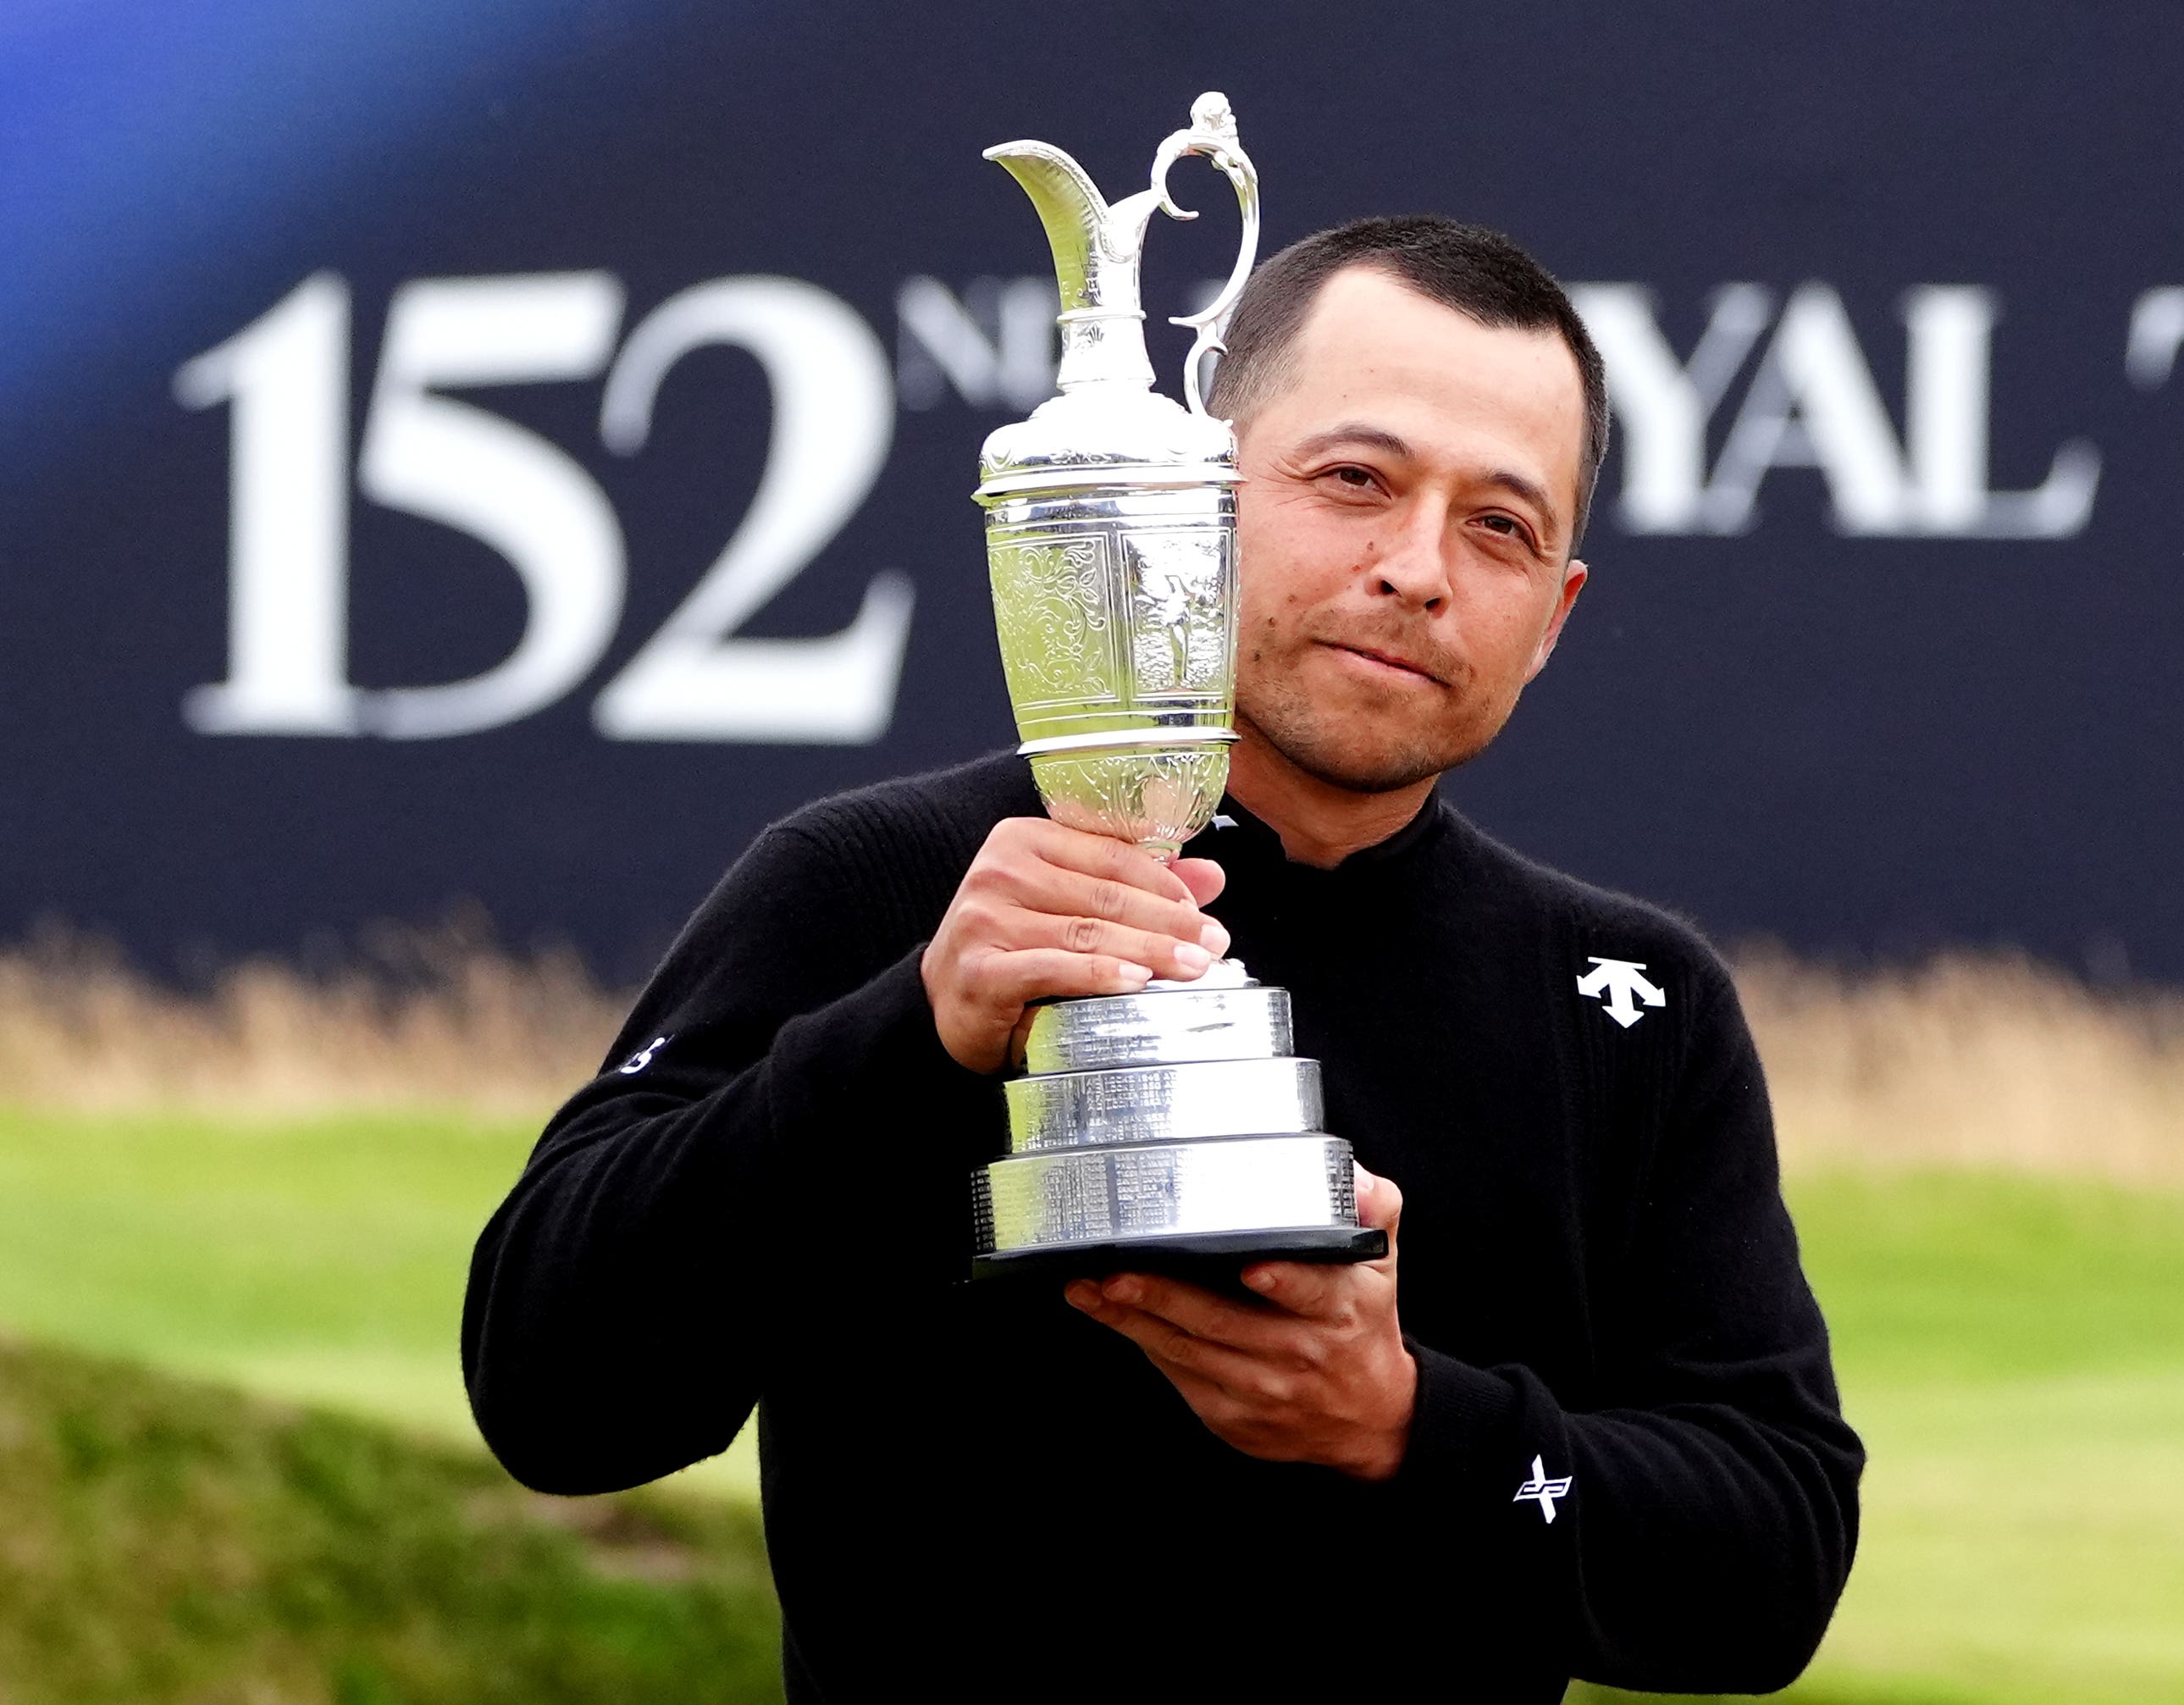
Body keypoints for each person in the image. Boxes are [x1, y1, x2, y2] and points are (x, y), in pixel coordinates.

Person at [463, 215, 1861, 1703]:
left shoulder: (1629, 1007)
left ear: (1552, 621)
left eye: (1499, 526)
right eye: (1355, 480)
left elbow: (1773, 1563)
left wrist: (1404, 1421)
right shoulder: (878, 888)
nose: (1416, 569)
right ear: (1194, 493)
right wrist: (910, 1038)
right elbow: (554, 1391)